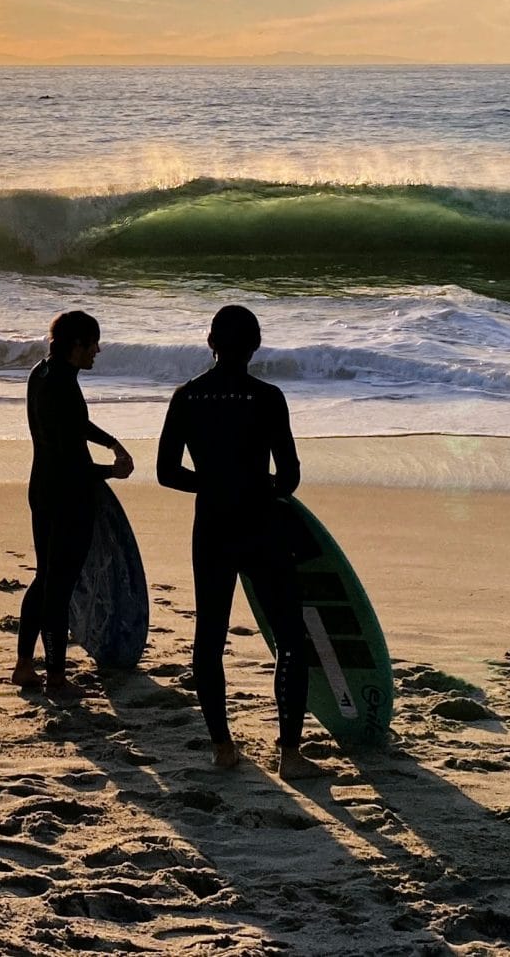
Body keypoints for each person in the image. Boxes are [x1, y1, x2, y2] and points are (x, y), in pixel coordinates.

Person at [156, 304, 323, 780]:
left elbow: (167, 473)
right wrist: (257, 486)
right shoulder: (268, 397)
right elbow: (289, 476)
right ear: (255, 347)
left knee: (209, 638)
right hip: (262, 526)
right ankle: (290, 755)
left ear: (210, 343)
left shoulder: (187, 397)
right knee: (290, 638)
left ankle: (223, 748)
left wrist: (212, 486)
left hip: (212, 526)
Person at [13, 310, 134, 698]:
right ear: (75, 345)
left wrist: (111, 442)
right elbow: (73, 460)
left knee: (45, 576)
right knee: (60, 587)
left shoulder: (42, 374)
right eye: (92, 344)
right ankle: (57, 678)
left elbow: (73, 426)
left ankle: (24, 664)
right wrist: (111, 472)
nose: (97, 351)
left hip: (42, 489)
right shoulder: (64, 384)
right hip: (68, 496)